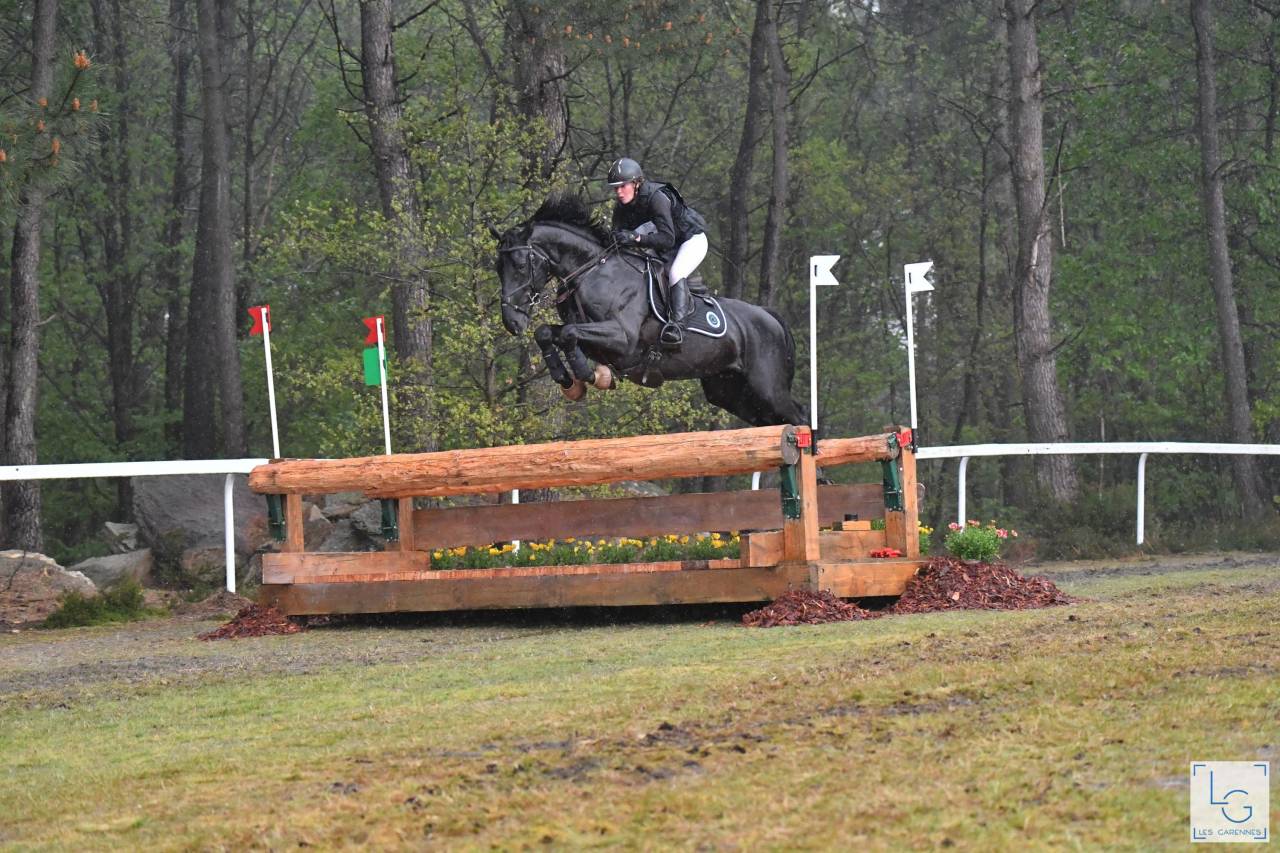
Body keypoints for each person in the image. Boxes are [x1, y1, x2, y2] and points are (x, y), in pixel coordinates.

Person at [607, 157, 708, 347]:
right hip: (663, 246)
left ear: (636, 183)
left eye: (623, 186)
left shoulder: (657, 198)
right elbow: (616, 238)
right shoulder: (621, 207)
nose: (619, 192)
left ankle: (677, 327)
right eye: (615, 188)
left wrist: (637, 239)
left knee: (676, 272)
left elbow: (668, 239)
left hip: (690, 241)